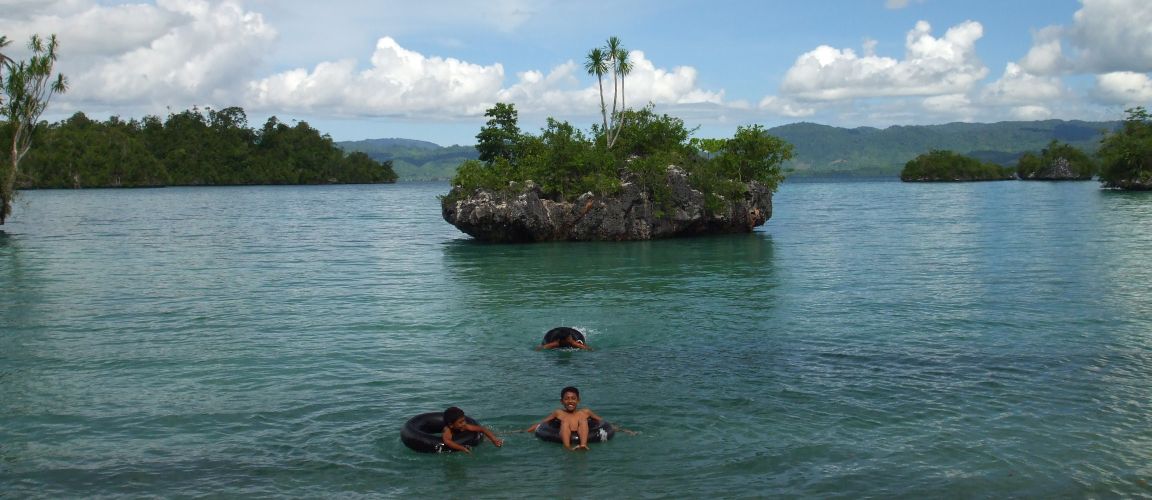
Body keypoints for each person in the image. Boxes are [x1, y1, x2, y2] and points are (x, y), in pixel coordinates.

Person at [526, 386, 603, 451]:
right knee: (565, 422)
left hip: (582, 430)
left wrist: (613, 428)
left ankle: (583, 445)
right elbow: (542, 423)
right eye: (566, 399)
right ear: (561, 401)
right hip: (564, 431)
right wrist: (525, 431)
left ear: (578, 400)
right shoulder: (559, 412)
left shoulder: (585, 412)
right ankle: (567, 447)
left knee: (583, 421)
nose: (570, 401)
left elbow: (601, 421)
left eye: (573, 398)